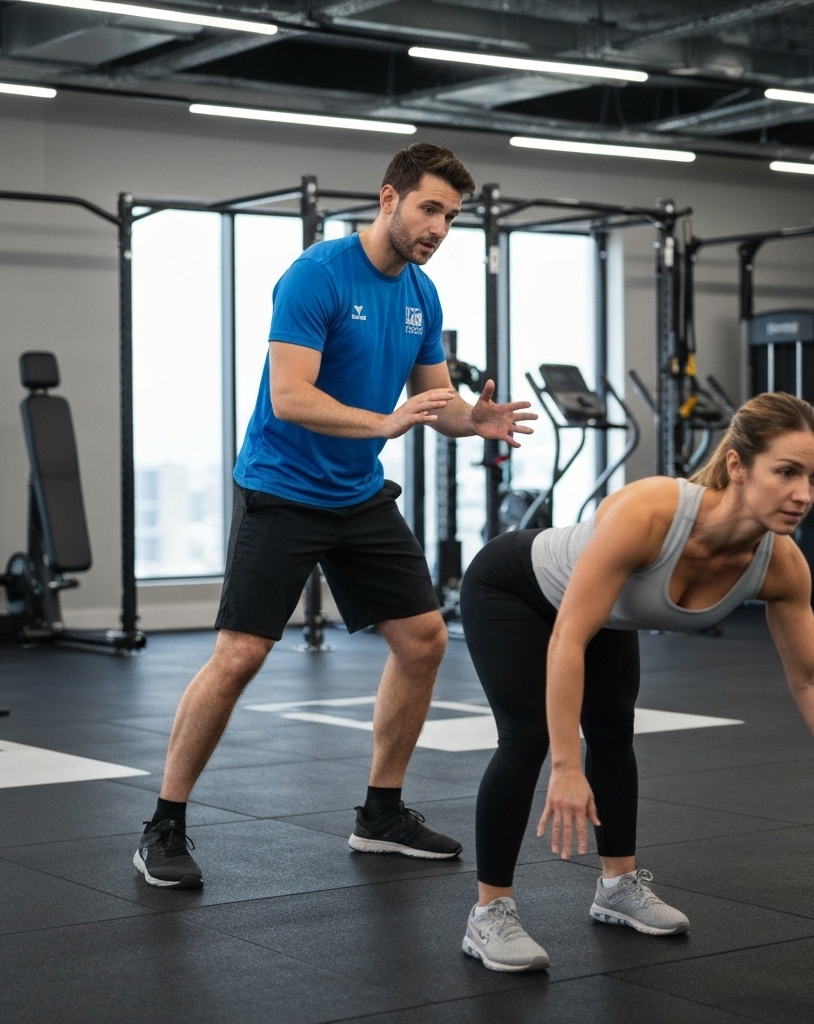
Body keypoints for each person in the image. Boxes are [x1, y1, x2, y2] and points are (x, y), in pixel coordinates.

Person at [133, 142, 537, 889]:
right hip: (283, 489)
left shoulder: (421, 294)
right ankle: (164, 823)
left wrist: (470, 421)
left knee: (422, 642)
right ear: (388, 199)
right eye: (429, 209)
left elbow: (434, 398)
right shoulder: (316, 275)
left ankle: (381, 813)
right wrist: (382, 423)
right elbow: (291, 396)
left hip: (356, 494)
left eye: (451, 216)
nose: (440, 228)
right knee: (241, 655)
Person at [457, 392, 814, 972]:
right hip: (514, 588)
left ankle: (617, 887)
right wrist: (567, 769)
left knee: (615, 733)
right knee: (528, 738)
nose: (804, 494)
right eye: (787, 472)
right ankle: (489, 913)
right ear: (739, 466)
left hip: (606, 611)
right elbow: (568, 636)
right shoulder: (651, 512)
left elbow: (812, 676)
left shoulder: (781, 564)